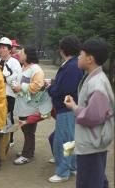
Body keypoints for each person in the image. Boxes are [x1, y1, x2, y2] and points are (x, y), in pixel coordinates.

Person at [64, 38, 114, 188]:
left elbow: (93, 116)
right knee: (97, 180)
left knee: (89, 182)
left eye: (81, 54)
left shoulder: (96, 83)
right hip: (94, 141)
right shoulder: (95, 78)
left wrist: (74, 107)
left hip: (92, 144)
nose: (78, 57)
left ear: (90, 59)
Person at [46, 35, 83, 182]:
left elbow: (64, 89)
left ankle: (63, 172)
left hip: (66, 109)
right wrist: (54, 83)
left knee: (64, 141)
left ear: (62, 50)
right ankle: (73, 166)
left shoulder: (71, 66)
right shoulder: (72, 64)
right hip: (67, 109)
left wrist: (50, 88)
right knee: (69, 140)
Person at [12, 47, 52, 165]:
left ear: (28, 55)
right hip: (23, 105)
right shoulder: (23, 67)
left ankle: (27, 155)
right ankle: (28, 151)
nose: (19, 54)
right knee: (26, 130)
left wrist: (20, 87)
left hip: (30, 107)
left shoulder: (36, 69)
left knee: (29, 131)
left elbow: (37, 86)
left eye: (22, 52)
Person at [0, 37, 22, 147]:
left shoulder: (15, 63)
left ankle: (10, 139)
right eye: (0, 48)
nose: (1, 50)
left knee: (8, 116)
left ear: (10, 50)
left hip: (9, 94)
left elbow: (16, 80)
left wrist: (4, 77)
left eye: (4, 47)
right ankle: (0, 137)